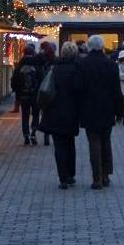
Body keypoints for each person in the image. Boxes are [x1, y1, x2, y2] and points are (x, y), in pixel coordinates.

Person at [39, 41, 82, 188]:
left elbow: (45, 89)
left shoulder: (54, 69)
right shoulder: (77, 70)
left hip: (54, 112)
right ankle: (71, 175)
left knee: (59, 146)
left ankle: (63, 178)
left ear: (62, 53)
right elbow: (79, 91)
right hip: (72, 113)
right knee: (70, 144)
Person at [80, 35, 121, 189]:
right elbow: (116, 90)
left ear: (89, 47)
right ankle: (105, 175)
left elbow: (80, 89)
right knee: (106, 141)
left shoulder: (83, 64)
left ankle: (96, 177)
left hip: (89, 109)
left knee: (94, 143)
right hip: (107, 108)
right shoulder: (110, 64)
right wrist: (119, 111)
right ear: (102, 46)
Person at [12, 43, 46, 145]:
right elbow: (42, 79)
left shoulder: (20, 65)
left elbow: (14, 80)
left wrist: (17, 93)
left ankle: (26, 134)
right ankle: (33, 133)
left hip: (23, 95)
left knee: (25, 115)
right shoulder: (37, 64)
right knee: (35, 115)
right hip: (35, 95)